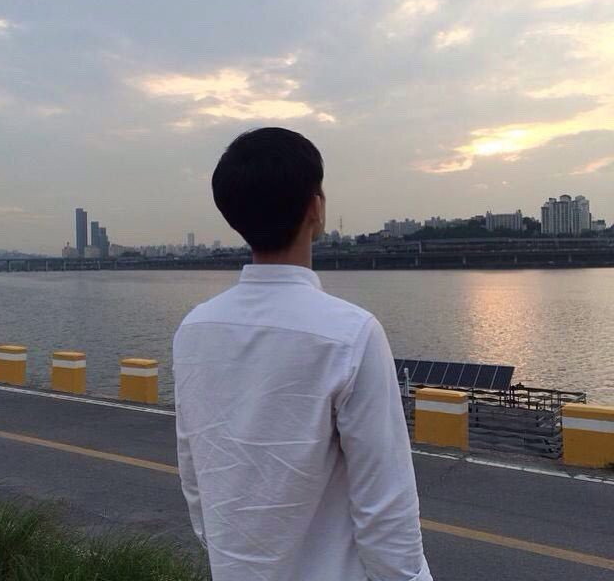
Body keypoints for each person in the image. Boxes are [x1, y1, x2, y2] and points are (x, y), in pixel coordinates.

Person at [173, 127, 432, 581]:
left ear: (234, 215)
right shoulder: (351, 335)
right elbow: (386, 512)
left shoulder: (194, 331)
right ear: (316, 207)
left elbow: (195, 476)